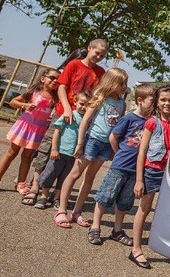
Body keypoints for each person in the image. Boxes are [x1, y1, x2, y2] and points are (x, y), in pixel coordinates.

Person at [54, 67, 128, 229]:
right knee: (75, 174)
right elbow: (86, 122)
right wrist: (80, 143)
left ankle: (77, 211)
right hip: (92, 141)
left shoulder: (122, 104)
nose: (124, 86)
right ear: (111, 82)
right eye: (121, 83)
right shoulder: (99, 97)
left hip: (106, 145)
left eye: (125, 83)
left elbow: (118, 128)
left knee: (90, 178)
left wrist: (114, 150)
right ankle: (61, 210)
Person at [87, 83, 155, 246]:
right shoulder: (129, 118)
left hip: (135, 171)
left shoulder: (152, 122)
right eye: (152, 102)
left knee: (125, 201)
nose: (154, 106)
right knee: (105, 196)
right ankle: (95, 226)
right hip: (120, 166)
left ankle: (117, 230)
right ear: (140, 100)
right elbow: (113, 137)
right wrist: (118, 153)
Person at [24, 47, 91, 206]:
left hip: (78, 117)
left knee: (65, 160)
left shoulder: (96, 72)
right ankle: (35, 187)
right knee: (46, 150)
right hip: (62, 112)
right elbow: (58, 87)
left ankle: (56, 193)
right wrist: (66, 108)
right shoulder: (68, 68)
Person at [129, 84, 170, 269]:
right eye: (163, 100)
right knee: (144, 208)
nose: (167, 103)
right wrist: (139, 179)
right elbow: (142, 151)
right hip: (152, 170)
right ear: (157, 102)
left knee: (167, 209)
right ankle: (136, 249)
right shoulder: (152, 122)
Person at [0, 68, 60, 194]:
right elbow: (13, 102)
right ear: (43, 78)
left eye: (57, 79)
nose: (55, 81)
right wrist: (24, 105)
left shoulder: (55, 98)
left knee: (27, 157)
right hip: (24, 125)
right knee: (11, 153)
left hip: (38, 130)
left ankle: (21, 183)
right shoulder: (33, 92)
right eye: (52, 77)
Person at [33, 91, 91, 209]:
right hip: (60, 152)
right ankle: (44, 196)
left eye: (87, 105)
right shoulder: (69, 115)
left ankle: (56, 198)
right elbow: (57, 132)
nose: (84, 107)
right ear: (75, 101)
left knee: (64, 178)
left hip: (73, 156)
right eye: (81, 103)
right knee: (50, 173)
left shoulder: (87, 120)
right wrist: (54, 149)